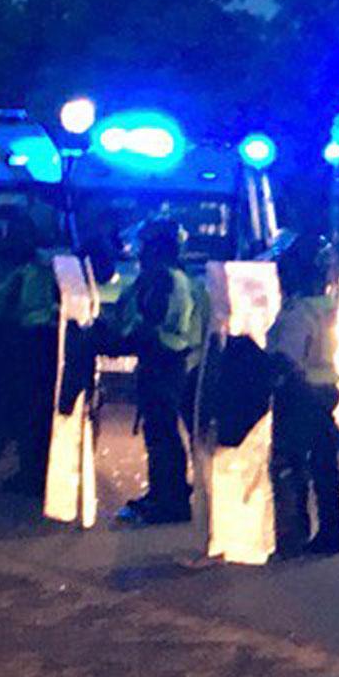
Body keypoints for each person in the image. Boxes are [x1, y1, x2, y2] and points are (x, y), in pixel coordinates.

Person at [112, 218, 201, 523]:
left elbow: (154, 318)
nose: (140, 252)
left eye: (146, 245)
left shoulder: (165, 278)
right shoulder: (165, 276)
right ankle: (162, 493)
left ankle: (170, 500)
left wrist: (130, 335)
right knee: (158, 431)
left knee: (162, 432)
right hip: (163, 360)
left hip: (165, 361)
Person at [268, 235, 339, 557]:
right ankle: (331, 534)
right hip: (326, 390)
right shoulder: (327, 308)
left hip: (301, 393)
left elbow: (286, 357)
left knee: (291, 463)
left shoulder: (298, 313)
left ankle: (294, 534)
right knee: (325, 466)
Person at [0, 204, 62, 496]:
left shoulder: (20, 270)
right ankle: (38, 472)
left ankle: (31, 475)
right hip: (50, 342)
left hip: (27, 344)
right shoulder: (49, 263)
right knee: (41, 412)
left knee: (28, 412)